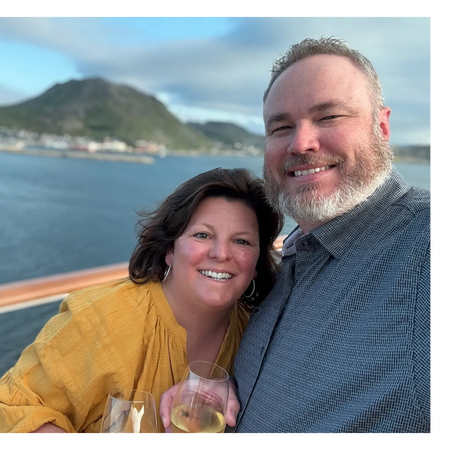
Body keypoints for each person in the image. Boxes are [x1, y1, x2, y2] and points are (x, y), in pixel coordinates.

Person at [161, 36, 433, 436]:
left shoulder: (422, 246)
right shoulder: (294, 258)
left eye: (329, 117)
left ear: (381, 125)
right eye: (281, 127)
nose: (301, 143)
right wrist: (228, 390)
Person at [0, 167, 284, 436]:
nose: (221, 253)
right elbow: (14, 406)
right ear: (170, 250)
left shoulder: (258, 335)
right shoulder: (101, 319)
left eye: (241, 241)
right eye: (202, 235)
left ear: (256, 263)